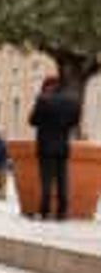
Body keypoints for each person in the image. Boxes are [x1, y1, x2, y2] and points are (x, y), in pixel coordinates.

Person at [28, 76, 80, 219]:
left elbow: (32, 120)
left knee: (46, 180)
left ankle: (44, 211)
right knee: (62, 179)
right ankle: (62, 212)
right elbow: (74, 122)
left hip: (45, 146)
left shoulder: (43, 99)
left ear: (47, 86)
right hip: (63, 146)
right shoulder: (72, 101)